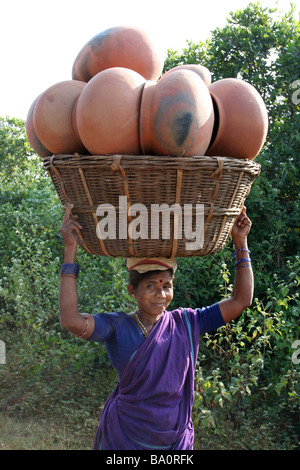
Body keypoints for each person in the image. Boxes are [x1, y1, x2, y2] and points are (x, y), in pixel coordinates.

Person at [59, 205, 253, 450]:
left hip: (175, 441)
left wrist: (240, 241)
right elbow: (70, 320)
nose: (161, 294)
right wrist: (70, 249)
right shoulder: (117, 326)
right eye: (151, 285)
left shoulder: (188, 322)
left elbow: (241, 300)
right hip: (125, 439)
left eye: (167, 285)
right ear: (133, 290)